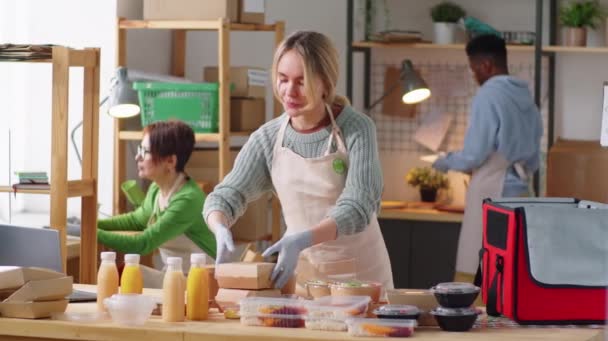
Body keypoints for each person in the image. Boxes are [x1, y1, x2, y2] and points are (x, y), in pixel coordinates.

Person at [203, 30, 393, 294]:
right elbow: (225, 196)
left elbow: (359, 206)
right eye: (283, 79)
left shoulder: (357, 129)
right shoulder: (268, 138)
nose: (289, 91)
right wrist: (220, 226)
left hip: (362, 281)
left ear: (325, 83)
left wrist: (303, 238)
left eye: (301, 82)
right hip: (304, 281)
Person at [432, 34, 543, 281]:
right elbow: (535, 156)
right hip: (522, 195)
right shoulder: (526, 96)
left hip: (493, 194)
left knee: (479, 267)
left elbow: (474, 154)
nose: (474, 77)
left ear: (485, 65)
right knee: (513, 271)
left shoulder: (489, 95)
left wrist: (445, 161)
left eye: (474, 70)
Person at [97, 120, 216, 287]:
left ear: (170, 161)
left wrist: (92, 233)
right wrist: (92, 224)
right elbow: (136, 221)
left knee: (123, 274)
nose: (137, 156)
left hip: (200, 283)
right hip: (175, 276)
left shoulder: (187, 199)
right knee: (123, 273)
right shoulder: (156, 189)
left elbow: (143, 243)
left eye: (145, 151)